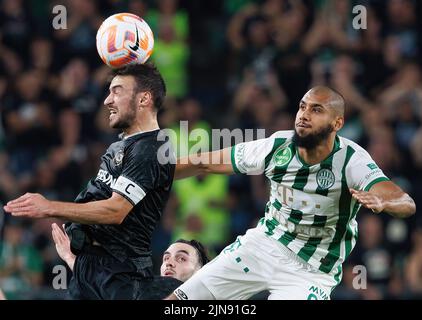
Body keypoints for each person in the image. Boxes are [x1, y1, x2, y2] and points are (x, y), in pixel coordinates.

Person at [166, 86, 416, 300]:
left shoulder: (352, 161)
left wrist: (383, 201)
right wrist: (150, 176)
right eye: (302, 107)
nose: (304, 115)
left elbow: (405, 201)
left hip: (312, 268)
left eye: (316, 110)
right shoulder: (277, 146)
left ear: (337, 123)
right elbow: (204, 162)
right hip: (263, 245)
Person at [4, 63, 176, 300]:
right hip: (90, 269)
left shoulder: (151, 148)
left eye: (116, 91)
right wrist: (74, 257)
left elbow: (117, 210)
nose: (107, 100)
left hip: (121, 277)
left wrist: (49, 207)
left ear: (144, 99)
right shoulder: (120, 146)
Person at [51, 223, 208, 298]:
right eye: (166, 258)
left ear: (203, 270)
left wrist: (72, 260)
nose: (169, 262)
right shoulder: (150, 286)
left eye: (182, 258)